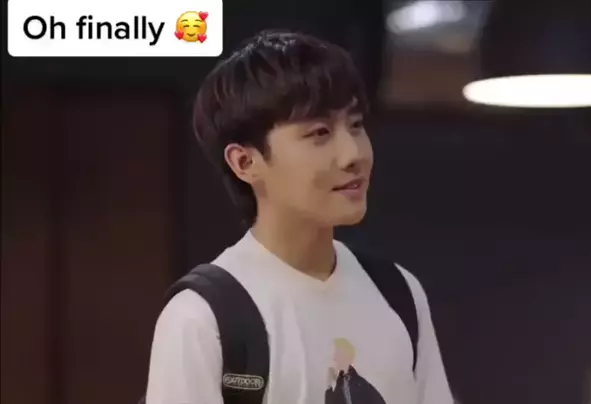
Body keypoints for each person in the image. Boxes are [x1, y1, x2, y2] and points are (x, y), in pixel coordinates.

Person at [144, 29, 454, 404]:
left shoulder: (399, 294)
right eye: (319, 132)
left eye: (356, 125)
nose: (353, 154)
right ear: (245, 162)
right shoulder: (202, 319)